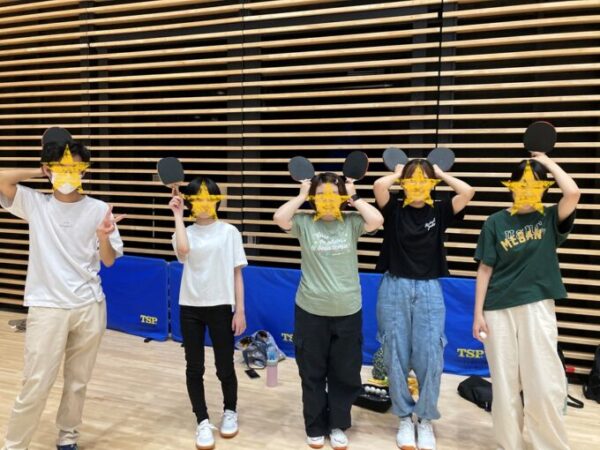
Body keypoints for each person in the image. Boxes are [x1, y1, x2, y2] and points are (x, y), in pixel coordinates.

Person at [0, 134, 124, 450]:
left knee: (78, 381)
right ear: (49, 170)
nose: (67, 175)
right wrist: (41, 168)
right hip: (47, 307)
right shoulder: (36, 204)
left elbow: (109, 261)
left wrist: (104, 236)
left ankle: (68, 436)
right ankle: (14, 445)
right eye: (60, 168)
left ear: (86, 171)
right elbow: (2, 178)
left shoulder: (99, 209)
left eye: (74, 168)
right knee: (36, 381)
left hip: (89, 306)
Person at [472, 154, 580, 450]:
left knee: (543, 381)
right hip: (497, 308)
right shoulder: (495, 222)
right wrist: (477, 313)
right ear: (511, 186)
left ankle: (550, 444)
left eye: (536, 184)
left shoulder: (550, 217)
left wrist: (546, 160)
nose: (528, 190)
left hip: (537, 306)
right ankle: (510, 444)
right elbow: (485, 269)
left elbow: (573, 192)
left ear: (544, 188)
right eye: (522, 184)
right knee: (504, 382)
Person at [273, 172, 383, 450]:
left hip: (348, 310)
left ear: (342, 197)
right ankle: (314, 426)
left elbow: (377, 220)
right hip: (310, 310)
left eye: (334, 193)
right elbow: (279, 218)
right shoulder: (304, 222)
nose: (327, 199)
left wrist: (355, 196)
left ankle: (337, 424)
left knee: (344, 373)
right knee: (311, 372)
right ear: (313, 198)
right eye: (321, 194)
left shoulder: (352, 222)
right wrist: (301, 195)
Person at [373, 159, 474, 450]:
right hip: (394, 286)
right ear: (404, 183)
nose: (417, 184)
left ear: (432, 184)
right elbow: (379, 186)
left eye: (423, 179)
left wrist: (439, 173)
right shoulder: (394, 210)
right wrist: (398, 173)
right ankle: (404, 417)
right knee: (394, 353)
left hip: (430, 288)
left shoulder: (440, 210)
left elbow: (467, 192)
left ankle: (426, 418)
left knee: (431, 354)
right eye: (412, 179)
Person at [170, 176, 247, 450]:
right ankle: (202, 420)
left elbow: (237, 273)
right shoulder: (183, 231)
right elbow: (183, 251)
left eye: (208, 197)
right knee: (194, 367)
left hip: (221, 306)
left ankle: (230, 411)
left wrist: (240, 310)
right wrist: (177, 216)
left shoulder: (229, 232)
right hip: (190, 307)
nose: (203, 203)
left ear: (216, 200)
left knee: (225, 366)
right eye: (197, 198)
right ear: (190, 202)